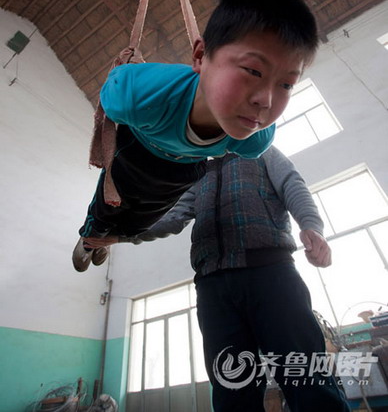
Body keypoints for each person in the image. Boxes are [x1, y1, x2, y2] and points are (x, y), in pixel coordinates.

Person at [72, 0, 319, 272]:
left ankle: (108, 241)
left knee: (144, 220)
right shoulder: (137, 95)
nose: (265, 100)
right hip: (136, 151)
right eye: (253, 70)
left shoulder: (254, 138)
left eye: (287, 84)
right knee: (107, 206)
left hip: (183, 170)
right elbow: (114, 94)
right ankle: (90, 240)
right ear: (200, 56)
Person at [91, 148, 350, 412]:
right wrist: (121, 235)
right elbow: (172, 217)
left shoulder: (261, 151)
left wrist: (311, 226)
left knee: (305, 375)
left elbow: (291, 183)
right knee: (232, 387)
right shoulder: (198, 170)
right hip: (213, 287)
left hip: (270, 272)